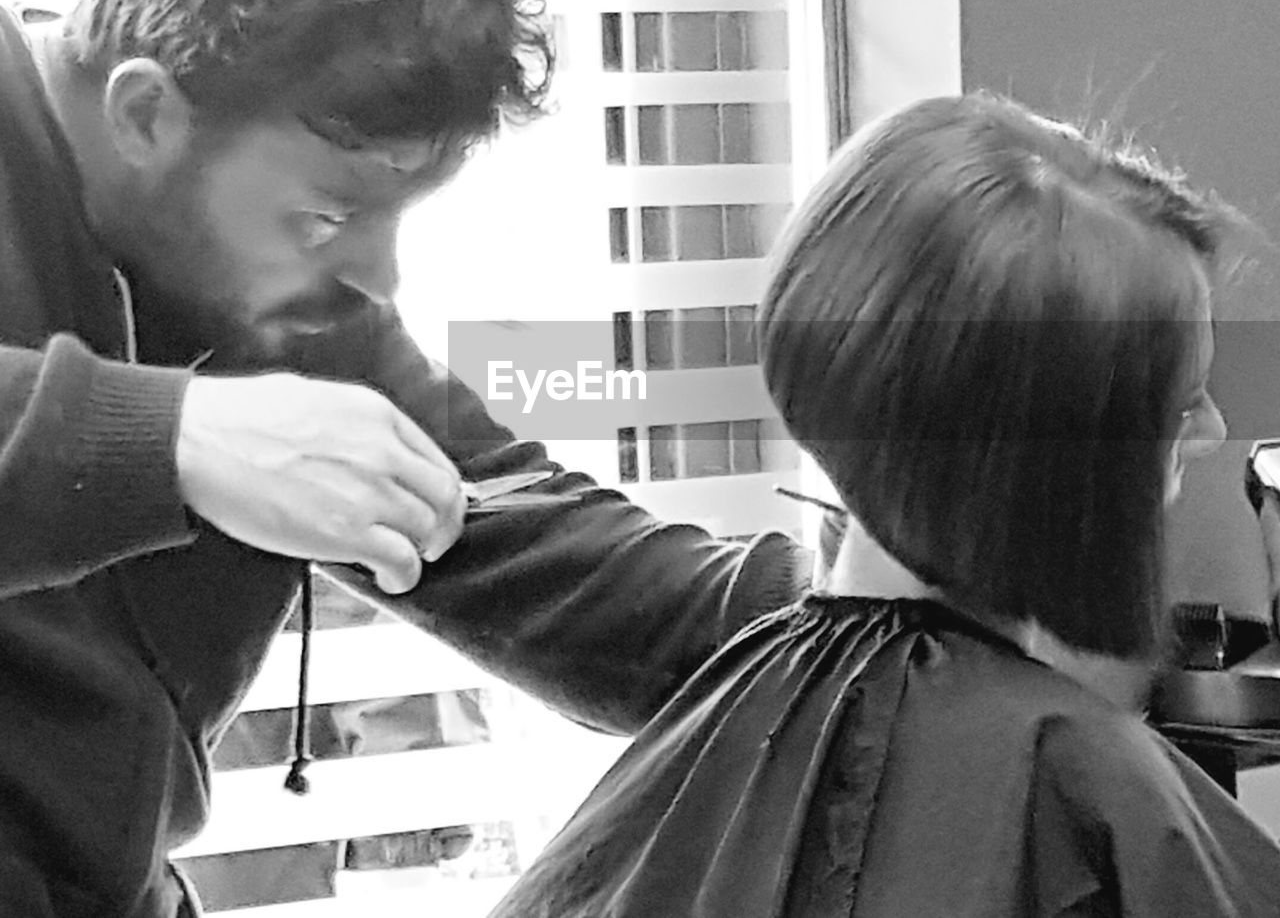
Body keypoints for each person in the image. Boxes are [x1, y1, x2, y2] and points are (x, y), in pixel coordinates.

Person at [0, 0, 812, 914]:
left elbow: (533, 550)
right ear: (147, 114)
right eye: (328, 215)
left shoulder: (290, 303)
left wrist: (855, 616)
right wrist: (159, 438)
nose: (379, 276)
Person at [490, 93, 1280, 918]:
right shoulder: (1080, 795)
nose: (1211, 431)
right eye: (1180, 405)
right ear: (1063, 468)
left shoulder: (740, 689)